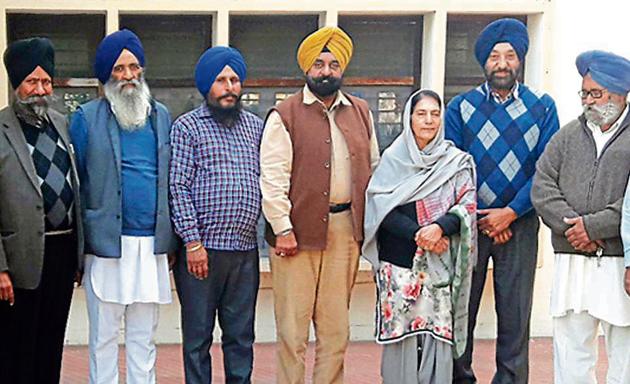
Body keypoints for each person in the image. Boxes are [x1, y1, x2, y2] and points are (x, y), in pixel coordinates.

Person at [259, 26, 380, 384]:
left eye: (333, 64)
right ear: (306, 69)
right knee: (293, 333)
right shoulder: (285, 114)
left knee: (335, 332)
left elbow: (373, 171)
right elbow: (273, 177)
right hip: (295, 236)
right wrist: (282, 228)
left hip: (345, 234)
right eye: (318, 64)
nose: (326, 71)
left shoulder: (360, 112)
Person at [445, 18, 560, 383]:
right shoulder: (460, 108)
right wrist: (480, 216)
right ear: (484, 62)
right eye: (495, 56)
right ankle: (459, 378)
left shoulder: (542, 108)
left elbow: (545, 171)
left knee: (515, 316)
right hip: (469, 225)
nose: (502, 63)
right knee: (460, 311)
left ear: (520, 61)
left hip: (520, 224)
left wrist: (510, 213)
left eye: (510, 55)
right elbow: (451, 169)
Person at [69, 29, 179, 383]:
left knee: (144, 336)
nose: (128, 76)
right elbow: (78, 183)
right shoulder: (86, 118)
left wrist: (170, 238)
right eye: (119, 69)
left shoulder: (161, 115)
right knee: (103, 336)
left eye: (134, 67)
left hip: (151, 245)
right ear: (106, 76)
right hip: (107, 245)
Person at [362, 89, 476, 383]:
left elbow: (467, 204)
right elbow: (381, 209)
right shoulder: (393, 159)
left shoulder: (455, 161)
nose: (428, 121)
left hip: (439, 262)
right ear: (408, 118)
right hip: (400, 264)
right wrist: (420, 235)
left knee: (437, 336)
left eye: (435, 114)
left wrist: (439, 228)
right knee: (402, 339)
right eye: (421, 113)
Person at [533, 50, 630, 384]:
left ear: (620, 93)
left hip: (618, 261)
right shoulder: (568, 135)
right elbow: (542, 185)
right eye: (585, 93)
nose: (588, 101)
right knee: (572, 351)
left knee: (624, 353)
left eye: (596, 93)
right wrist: (572, 227)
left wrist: (593, 226)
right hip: (572, 259)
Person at [170, 46, 263, 384]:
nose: (229, 87)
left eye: (235, 79)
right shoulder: (187, 128)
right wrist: (192, 242)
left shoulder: (255, 126)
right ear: (206, 85)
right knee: (197, 340)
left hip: (244, 250)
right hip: (202, 253)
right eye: (221, 80)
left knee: (241, 338)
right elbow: (178, 187)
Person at [0, 37, 83, 384]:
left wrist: (78, 256)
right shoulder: (1, 128)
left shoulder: (61, 124)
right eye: (31, 81)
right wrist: (0, 269)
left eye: (46, 81)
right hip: (19, 259)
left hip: (62, 254)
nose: (40, 89)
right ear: (17, 84)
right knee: (16, 350)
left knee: (51, 344)